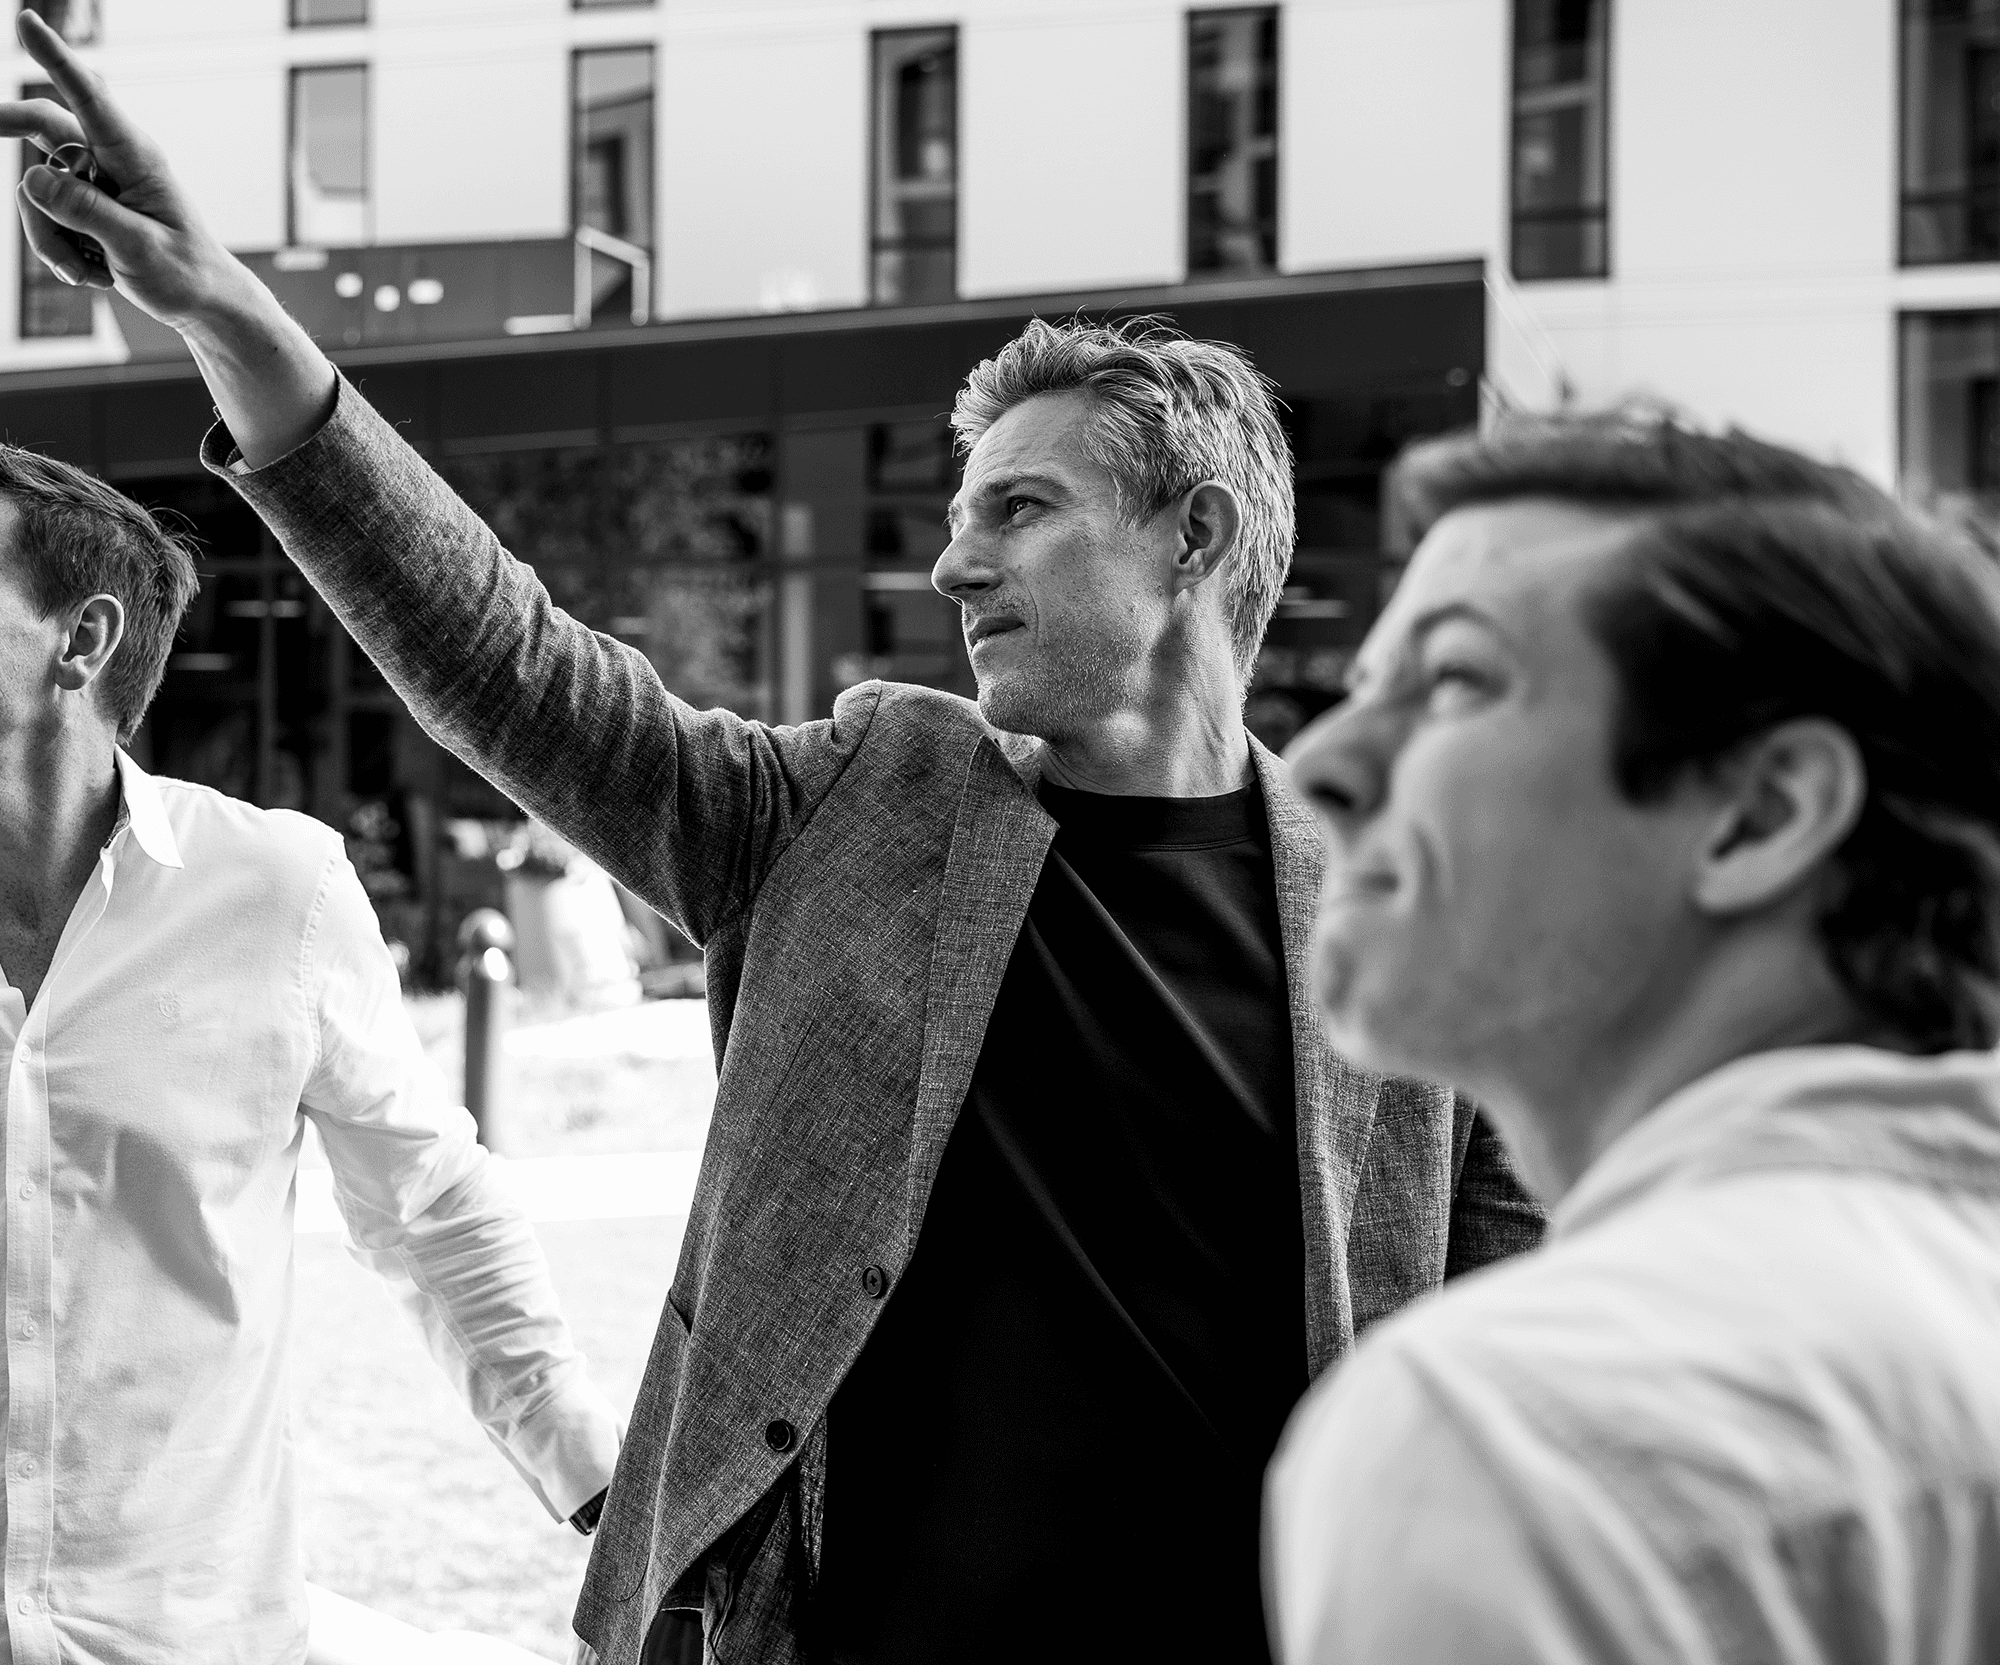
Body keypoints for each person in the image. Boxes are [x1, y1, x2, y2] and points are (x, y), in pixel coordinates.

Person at [0, 19, 1542, 1661]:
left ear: (1199, 536)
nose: (952, 569)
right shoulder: (856, 798)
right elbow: (506, 657)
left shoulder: (1417, 927)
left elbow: (1510, 1392)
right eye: (952, 522)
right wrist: (223, 306)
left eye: (1018, 510)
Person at [1270, 410, 2000, 1663]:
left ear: (1756, 813)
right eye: (1356, 689)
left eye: (1453, 680)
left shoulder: (1508, 1439)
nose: (1322, 759)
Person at [0, 442, 621, 1665]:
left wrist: (605, 1488)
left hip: (183, 1634)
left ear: (79, 643)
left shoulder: (276, 893)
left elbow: (431, 1208)